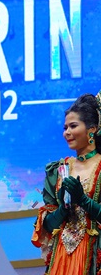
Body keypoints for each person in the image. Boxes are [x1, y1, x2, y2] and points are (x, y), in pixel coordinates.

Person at [32, 93, 101, 274]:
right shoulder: (58, 170)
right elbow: (48, 226)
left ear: (92, 129)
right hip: (62, 259)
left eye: (73, 126)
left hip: (94, 255)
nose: (67, 132)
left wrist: (84, 201)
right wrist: (64, 208)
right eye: (65, 128)